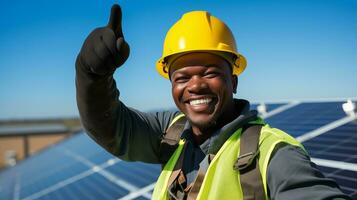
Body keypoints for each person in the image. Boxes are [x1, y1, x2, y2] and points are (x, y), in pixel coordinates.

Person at [75, 4, 352, 200]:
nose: (195, 86)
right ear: (172, 85)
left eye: (210, 73)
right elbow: (112, 128)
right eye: (182, 77)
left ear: (233, 81)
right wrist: (92, 75)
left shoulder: (271, 153)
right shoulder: (171, 133)